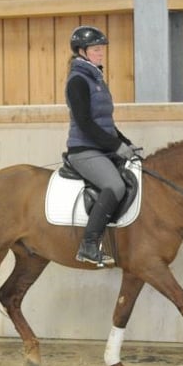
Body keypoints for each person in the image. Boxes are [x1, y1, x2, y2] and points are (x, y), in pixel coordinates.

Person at [64, 25, 141, 267]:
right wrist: (115, 146)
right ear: (81, 51)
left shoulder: (96, 78)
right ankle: (89, 244)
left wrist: (125, 143)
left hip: (101, 147)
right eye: (96, 49)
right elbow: (86, 124)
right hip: (84, 150)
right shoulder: (77, 81)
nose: (101, 53)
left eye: (102, 49)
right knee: (115, 185)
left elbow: (105, 122)